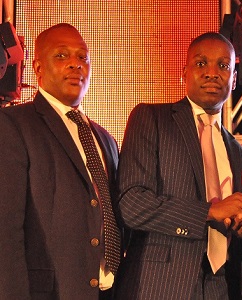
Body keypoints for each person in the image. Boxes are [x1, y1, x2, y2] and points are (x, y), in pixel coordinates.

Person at [114, 32, 242, 300]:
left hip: (224, 287)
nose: (212, 73)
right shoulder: (151, 118)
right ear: (183, 73)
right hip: (160, 286)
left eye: (223, 65)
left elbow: (235, 226)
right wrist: (210, 211)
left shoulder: (237, 151)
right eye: (201, 63)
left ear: (233, 81)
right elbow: (132, 205)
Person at [0, 23, 121, 299]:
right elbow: (5, 233)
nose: (75, 65)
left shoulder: (106, 140)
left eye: (82, 57)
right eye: (62, 56)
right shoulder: (13, 126)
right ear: (38, 68)